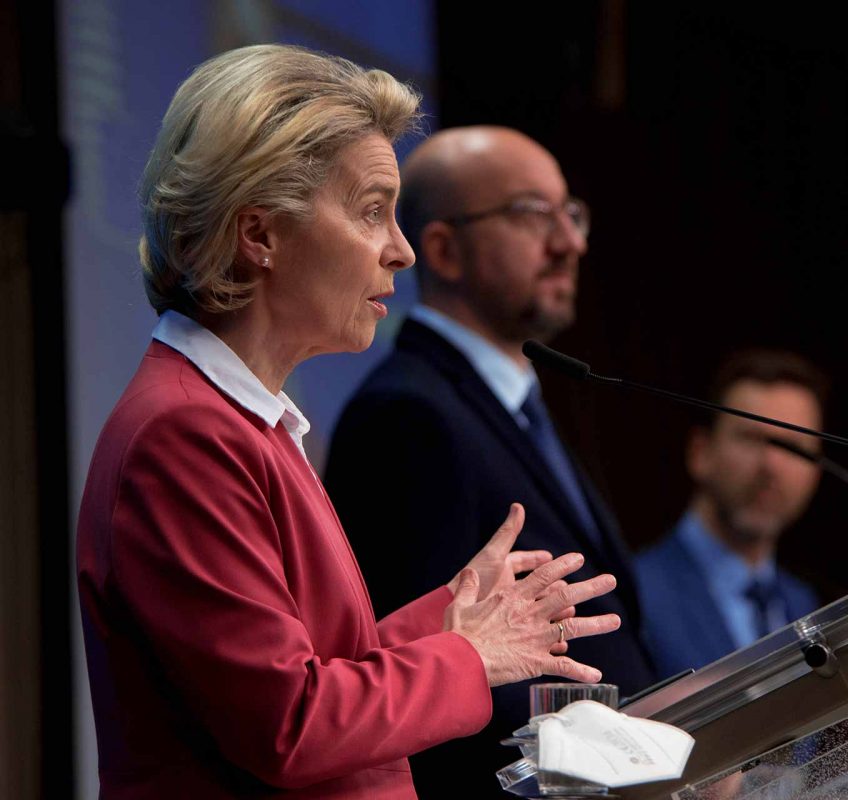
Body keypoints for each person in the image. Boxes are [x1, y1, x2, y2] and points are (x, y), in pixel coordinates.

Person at [76, 45, 623, 800]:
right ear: (258, 234)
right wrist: (471, 656)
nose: (399, 250)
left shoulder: (242, 419)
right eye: (372, 210)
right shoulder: (185, 435)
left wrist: (453, 617)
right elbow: (290, 726)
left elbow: (316, 677)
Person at [324, 126, 657, 798]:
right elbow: (421, 677)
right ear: (443, 250)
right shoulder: (407, 416)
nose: (571, 243)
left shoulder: (513, 402)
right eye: (532, 214)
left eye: (572, 213)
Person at [635, 350, 828, 679]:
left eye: (794, 446)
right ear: (700, 452)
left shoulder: (806, 604)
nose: (771, 465)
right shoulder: (634, 595)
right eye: (751, 438)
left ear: (816, 470)